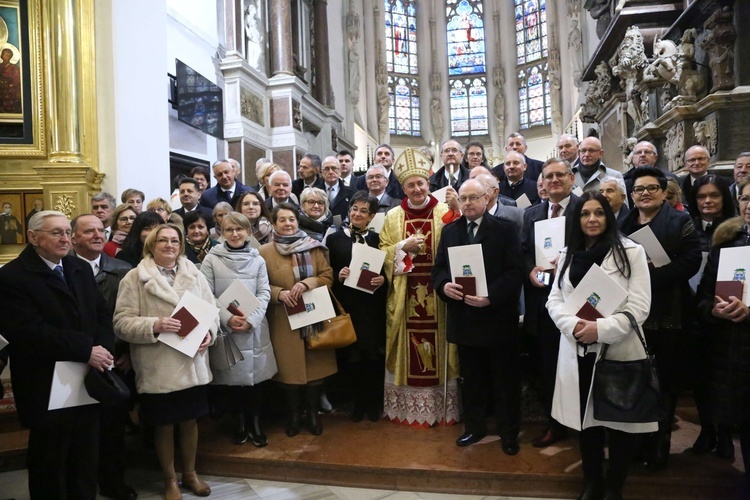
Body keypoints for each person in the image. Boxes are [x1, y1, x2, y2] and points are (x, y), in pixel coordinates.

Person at [0, 210, 114, 499]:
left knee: (85, 455)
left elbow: (101, 314)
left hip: (87, 375)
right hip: (44, 380)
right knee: (50, 460)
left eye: (67, 232)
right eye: (56, 233)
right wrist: (86, 349)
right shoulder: (12, 277)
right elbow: (29, 332)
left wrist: (101, 349)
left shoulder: (78, 268)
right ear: (33, 237)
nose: (65, 238)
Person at [547, 191, 654, 499]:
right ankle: (591, 482)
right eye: (584, 214)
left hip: (616, 349)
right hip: (577, 347)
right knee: (586, 424)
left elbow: (640, 306)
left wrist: (601, 330)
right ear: (576, 219)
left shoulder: (631, 252)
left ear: (609, 217)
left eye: (599, 213)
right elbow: (554, 299)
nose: (592, 219)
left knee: (618, 424)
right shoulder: (567, 253)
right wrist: (574, 327)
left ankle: (614, 487)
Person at [114, 223, 218, 500]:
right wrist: (155, 324)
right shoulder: (135, 277)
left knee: (190, 421)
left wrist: (210, 333)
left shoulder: (193, 272)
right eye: (163, 240)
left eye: (174, 240)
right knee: (165, 424)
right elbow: (121, 323)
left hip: (192, 361)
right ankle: (170, 479)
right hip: (159, 365)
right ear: (151, 244)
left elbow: (212, 311)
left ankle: (191, 474)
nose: (169, 245)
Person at [432, 179, 525, 454]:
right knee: (471, 381)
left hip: (497, 319)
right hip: (464, 319)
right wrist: (444, 285)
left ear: (487, 199)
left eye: (474, 197)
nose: (469, 203)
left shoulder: (506, 229)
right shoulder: (450, 231)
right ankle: (474, 428)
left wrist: (490, 297)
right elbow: (438, 269)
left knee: (504, 381)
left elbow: (515, 272)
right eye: (464, 198)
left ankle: (509, 433)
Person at [619, 166, 702, 471]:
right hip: (633, 316)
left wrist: (650, 279)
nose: (644, 194)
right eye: (639, 189)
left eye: (651, 188)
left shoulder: (680, 220)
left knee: (663, 384)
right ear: (632, 195)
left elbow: (692, 260)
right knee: (637, 383)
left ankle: (659, 447)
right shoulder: (624, 222)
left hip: (669, 313)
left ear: (664, 192)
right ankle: (637, 444)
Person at [379, 148, 459, 427]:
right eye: (410, 184)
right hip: (405, 293)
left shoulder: (444, 211)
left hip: (439, 295)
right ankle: (408, 405)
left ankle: (439, 408)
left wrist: (457, 211)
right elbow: (383, 251)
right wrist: (403, 247)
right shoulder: (392, 217)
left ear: (429, 183)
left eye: (420, 183)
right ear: (403, 187)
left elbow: (459, 244)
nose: (416, 188)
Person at [70, 214, 137, 500]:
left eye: (101, 230)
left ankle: (113, 483)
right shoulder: (64, 271)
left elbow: (135, 314)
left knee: (112, 431)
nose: (98, 235)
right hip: (75, 362)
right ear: (74, 238)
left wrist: (128, 353)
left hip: (116, 361)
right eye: (89, 232)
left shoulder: (123, 270)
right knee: (81, 431)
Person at [258, 203, 335, 437]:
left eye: (291, 219)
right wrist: (278, 293)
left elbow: (327, 276)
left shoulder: (314, 248)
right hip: (283, 319)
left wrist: (306, 283)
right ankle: (293, 416)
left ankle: (312, 415)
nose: (288, 224)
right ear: (274, 224)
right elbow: (258, 285)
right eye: (282, 220)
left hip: (313, 315)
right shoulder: (263, 252)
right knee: (289, 373)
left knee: (314, 372)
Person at [201, 212, 276, 447]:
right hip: (228, 328)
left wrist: (251, 319)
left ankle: (255, 422)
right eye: (229, 229)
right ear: (222, 233)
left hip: (253, 327)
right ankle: (240, 423)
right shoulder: (211, 259)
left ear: (248, 232)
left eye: (239, 229)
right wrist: (226, 317)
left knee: (255, 383)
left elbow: (264, 292)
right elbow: (206, 294)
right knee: (233, 384)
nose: (235, 234)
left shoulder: (258, 259)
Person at [696, 179, 750, 498]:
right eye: (743, 198)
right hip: (734, 352)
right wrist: (714, 311)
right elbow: (703, 297)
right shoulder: (728, 244)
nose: (748, 205)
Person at [521, 158, 580, 448]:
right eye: (548, 176)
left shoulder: (586, 209)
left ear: (571, 178)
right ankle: (553, 423)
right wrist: (530, 268)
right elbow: (522, 253)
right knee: (547, 368)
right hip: (541, 304)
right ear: (541, 181)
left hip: (577, 303)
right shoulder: (532, 214)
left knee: (578, 366)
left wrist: (569, 265)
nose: (554, 180)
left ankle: (584, 425)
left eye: (560, 175)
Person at [325, 192, 387, 422]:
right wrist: (336, 274)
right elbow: (324, 272)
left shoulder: (377, 239)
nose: (357, 214)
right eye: (354, 208)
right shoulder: (334, 239)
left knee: (372, 357)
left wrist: (383, 280)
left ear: (371, 216)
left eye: (363, 211)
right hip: (347, 306)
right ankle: (356, 405)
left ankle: (372, 404)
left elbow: (386, 270)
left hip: (371, 308)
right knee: (351, 357)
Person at [321, 156, 357, 220]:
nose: (331, 172)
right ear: (322, 172)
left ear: (340, 171)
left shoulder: (352, 193)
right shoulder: (314, 192)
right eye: (327, 169)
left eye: (334, 168)